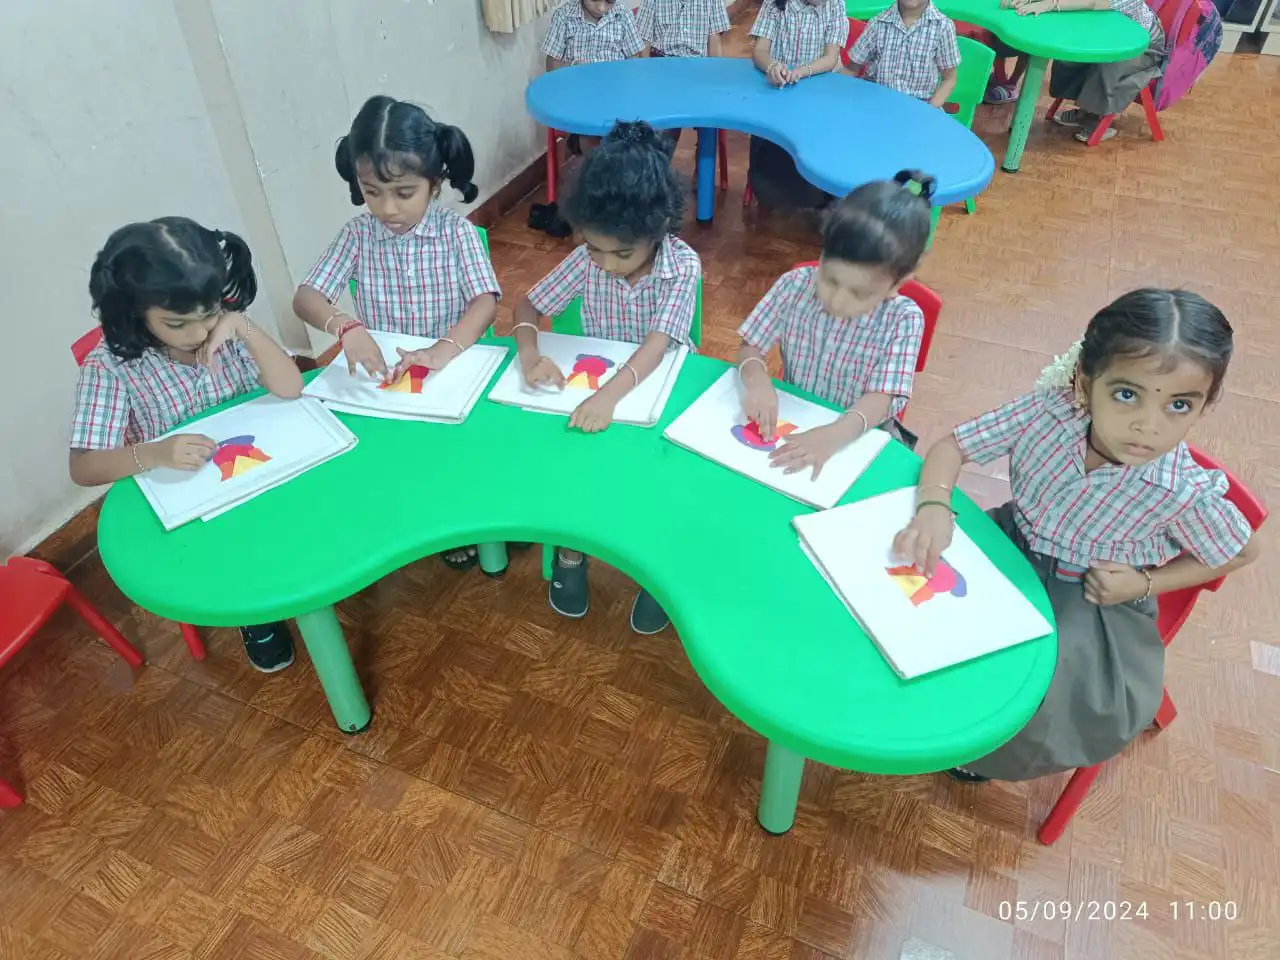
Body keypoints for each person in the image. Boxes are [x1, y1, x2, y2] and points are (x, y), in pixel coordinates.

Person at [893, 289, 1260, 783]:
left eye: (1178, 405)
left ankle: (980, 755)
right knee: (909, 607)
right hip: (1011, 547)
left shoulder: (1179, 489)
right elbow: (953, 447)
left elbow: (1242, 550)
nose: (1147, 426)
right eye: (1127, 394)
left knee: (1037, 701)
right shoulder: (1048, 414)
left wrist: (1143, 585)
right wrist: (935, 504)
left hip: (1088, 601)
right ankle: (926, 711)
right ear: (1086, 382)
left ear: (1204, 406)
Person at [69, 218, 305, 672]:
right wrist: (154, 453)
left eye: (210, 313)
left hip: (254, 462)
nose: (199, 333)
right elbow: (83, 468)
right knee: (236, 545)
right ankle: (258, 614)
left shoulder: (227, 330)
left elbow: (290, 387)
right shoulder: (112, 366)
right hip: (195, 491)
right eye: (178, 323)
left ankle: (296, 567)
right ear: (135, 311)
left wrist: (241, 326)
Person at [293, 95, 500, 571]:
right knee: (390, 457)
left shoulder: (455, 234)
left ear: (435, 183)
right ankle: (409, 518)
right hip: (387, 376)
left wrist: (442, 350)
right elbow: (306, 297)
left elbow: (485, 303)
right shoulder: (357, 235)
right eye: (371, 192)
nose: (387, 208)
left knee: (458, 456)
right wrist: (345, 326)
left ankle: (465, 520)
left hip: (452, 368)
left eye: (403, 193)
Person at [511, 121, 700, 634]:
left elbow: (657, 346)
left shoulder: (683, 267)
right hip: (602, 387)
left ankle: (657, 573)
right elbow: (527, 307)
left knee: (658, 478)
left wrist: (608, 399)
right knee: (577, 467)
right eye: (596, 249)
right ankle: (571, 556)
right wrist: (530, 355)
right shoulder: (586, 261)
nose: (607, 265)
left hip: (660, 386)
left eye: (622, 253)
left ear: (657, 233)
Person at [736, 170, 934, 476]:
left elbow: (881, 399)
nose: (838, 300)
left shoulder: (904, 319)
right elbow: (750, 346)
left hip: (860, 434)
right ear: (823, 251)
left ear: (897, 284)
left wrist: (833, 436)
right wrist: (756, 378)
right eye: (830, 279)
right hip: (797, 414)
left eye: (858, 293)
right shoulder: (794, 285)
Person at [531, 0, 647, 237]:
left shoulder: (622, 15)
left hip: (615, 96)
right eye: (597, 1)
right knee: (592, 136)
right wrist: (574, 67)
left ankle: (612, 197)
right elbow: (552, 65)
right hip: (578, 97)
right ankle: (596, 201)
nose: (603, 8)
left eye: (609, 2)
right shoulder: (565, 16)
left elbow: (637, 62)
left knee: (628, 136)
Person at [1007, 0, 1166, 143]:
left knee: (1108, 64)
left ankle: (1095, 116)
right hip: (1106, 33)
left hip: (1143, 48)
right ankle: (1084, 110)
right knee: (1069, 54)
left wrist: (1050, 4)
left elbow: (1092, 3)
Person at [746, 0, 850, 209]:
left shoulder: (836, 4)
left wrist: (801, 72)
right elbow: (760, 51)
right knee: (769, 133)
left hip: (819, 88)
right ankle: (770, 186)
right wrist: (773, 67)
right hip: (780, 89)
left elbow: (830, 58)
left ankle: (819, 193)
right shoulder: (775, 4)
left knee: (821, 139)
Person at [846, 0, 960, 107]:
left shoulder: (943, 27)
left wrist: (930, 109)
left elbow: (949, 79)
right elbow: (852, 68)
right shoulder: (877, 23)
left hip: (919, 107)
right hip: (877, 103)